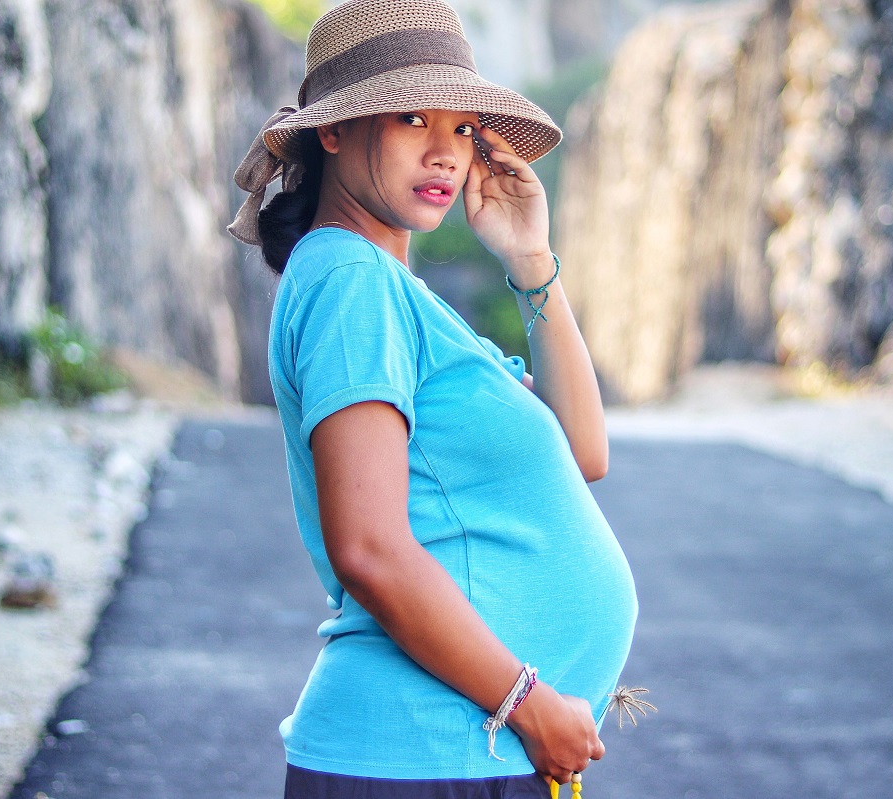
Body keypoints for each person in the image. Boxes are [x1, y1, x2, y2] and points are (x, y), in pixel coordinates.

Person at [228, 2, 638, 797]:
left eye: (460, 127)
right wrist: (526, 701)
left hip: (458, 751)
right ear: (335, 131)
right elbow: (369, 548)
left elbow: (582, 452)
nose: (444, 153)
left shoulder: (394, 293)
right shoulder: (351, 280)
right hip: (427, 753)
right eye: (412, 117)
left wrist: (530, 257)